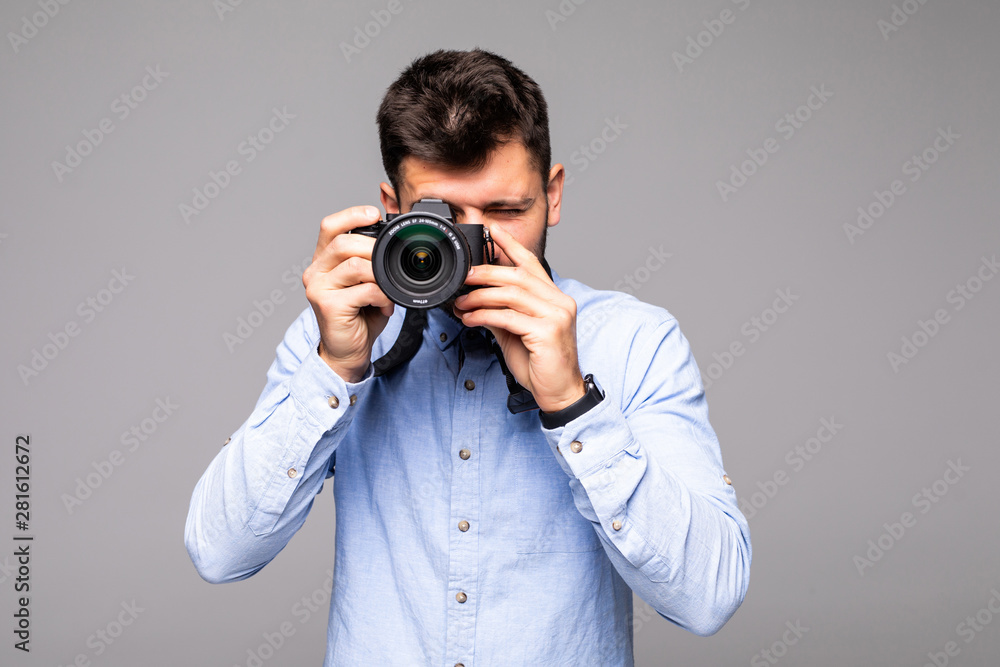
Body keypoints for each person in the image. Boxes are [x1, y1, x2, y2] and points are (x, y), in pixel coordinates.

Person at [185, 47, 751, 666]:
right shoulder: (340, 331)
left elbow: (709, 598)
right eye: (443, 220)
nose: (477, 247)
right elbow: (218, 552)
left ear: (553, 195)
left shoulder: (636, 342)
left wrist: (571, 404)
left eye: (507, 212)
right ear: (393, 208)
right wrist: (335, 368)